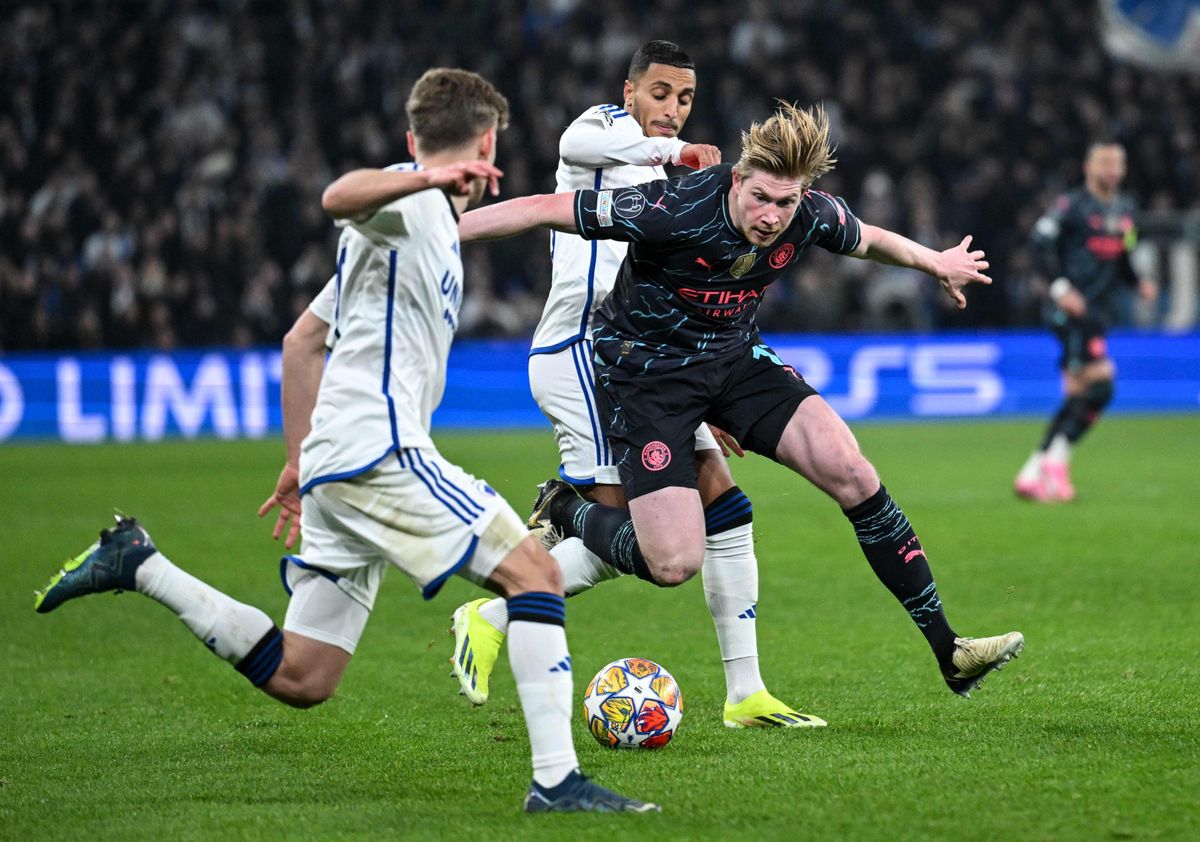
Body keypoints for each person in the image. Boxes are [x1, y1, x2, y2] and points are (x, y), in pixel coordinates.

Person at [33, 68, 657, 814]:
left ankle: (140, 564)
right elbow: (337, 196)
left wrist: (298, 461)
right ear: (487, 142)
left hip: (338, 460)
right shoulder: (407, 199)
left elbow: (302, 341)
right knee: (536, 574)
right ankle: (557, 783)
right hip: (380, 452)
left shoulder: (408, 231)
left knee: (306, 675)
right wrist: (424, 176)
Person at [459, 102, 1024, 699]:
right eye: (761, 198)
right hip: (649, 380)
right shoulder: (674, 210)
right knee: (672, 564)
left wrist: (935, 262)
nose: (773, 217)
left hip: (733, 361)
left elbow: (869, 238)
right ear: (737, 179)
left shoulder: (807, 214)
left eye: (786, 203)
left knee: (852, 471)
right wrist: (445, 231)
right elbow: (540, 209)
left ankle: (949, 650)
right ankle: (567, 508)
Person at [450, 40, 821, 730]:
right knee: (651, 545)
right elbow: (574, 136)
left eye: (684, 99)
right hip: (584, 355)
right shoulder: (604, 137)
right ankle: (500, 601)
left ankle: (746, 693)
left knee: (725, 505)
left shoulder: (685, 184)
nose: (671, 110)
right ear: (628, 93)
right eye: (658, 94)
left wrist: (714, 392)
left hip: (654, 363)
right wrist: (671, 154)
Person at [1013, 140, 1158, 502]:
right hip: (1072, 311)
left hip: (1099, 311)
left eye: (1117, 163)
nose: (1111, 169)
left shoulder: (1126, 210)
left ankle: (1033, 471)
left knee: (1078, 394)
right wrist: (1060, 288)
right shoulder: (1071, 206)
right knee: (1101, 386)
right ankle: (1056, 462)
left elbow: (1124, 254)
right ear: (1088, 167)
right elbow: (1038, 244)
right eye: (1104, 162)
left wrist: (1138, 283)